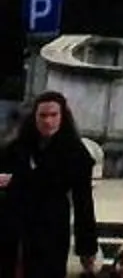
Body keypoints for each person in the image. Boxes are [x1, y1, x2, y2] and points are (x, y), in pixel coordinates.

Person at [0, 92, 96, 278]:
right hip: (13, 227)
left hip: (51, 228)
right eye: (43, 116)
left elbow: (83, 202)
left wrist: (87, 247)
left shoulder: (75, 153)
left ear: (62, 117)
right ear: (34, 117)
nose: (48, 121)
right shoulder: (19, 147)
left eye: (53, 115)